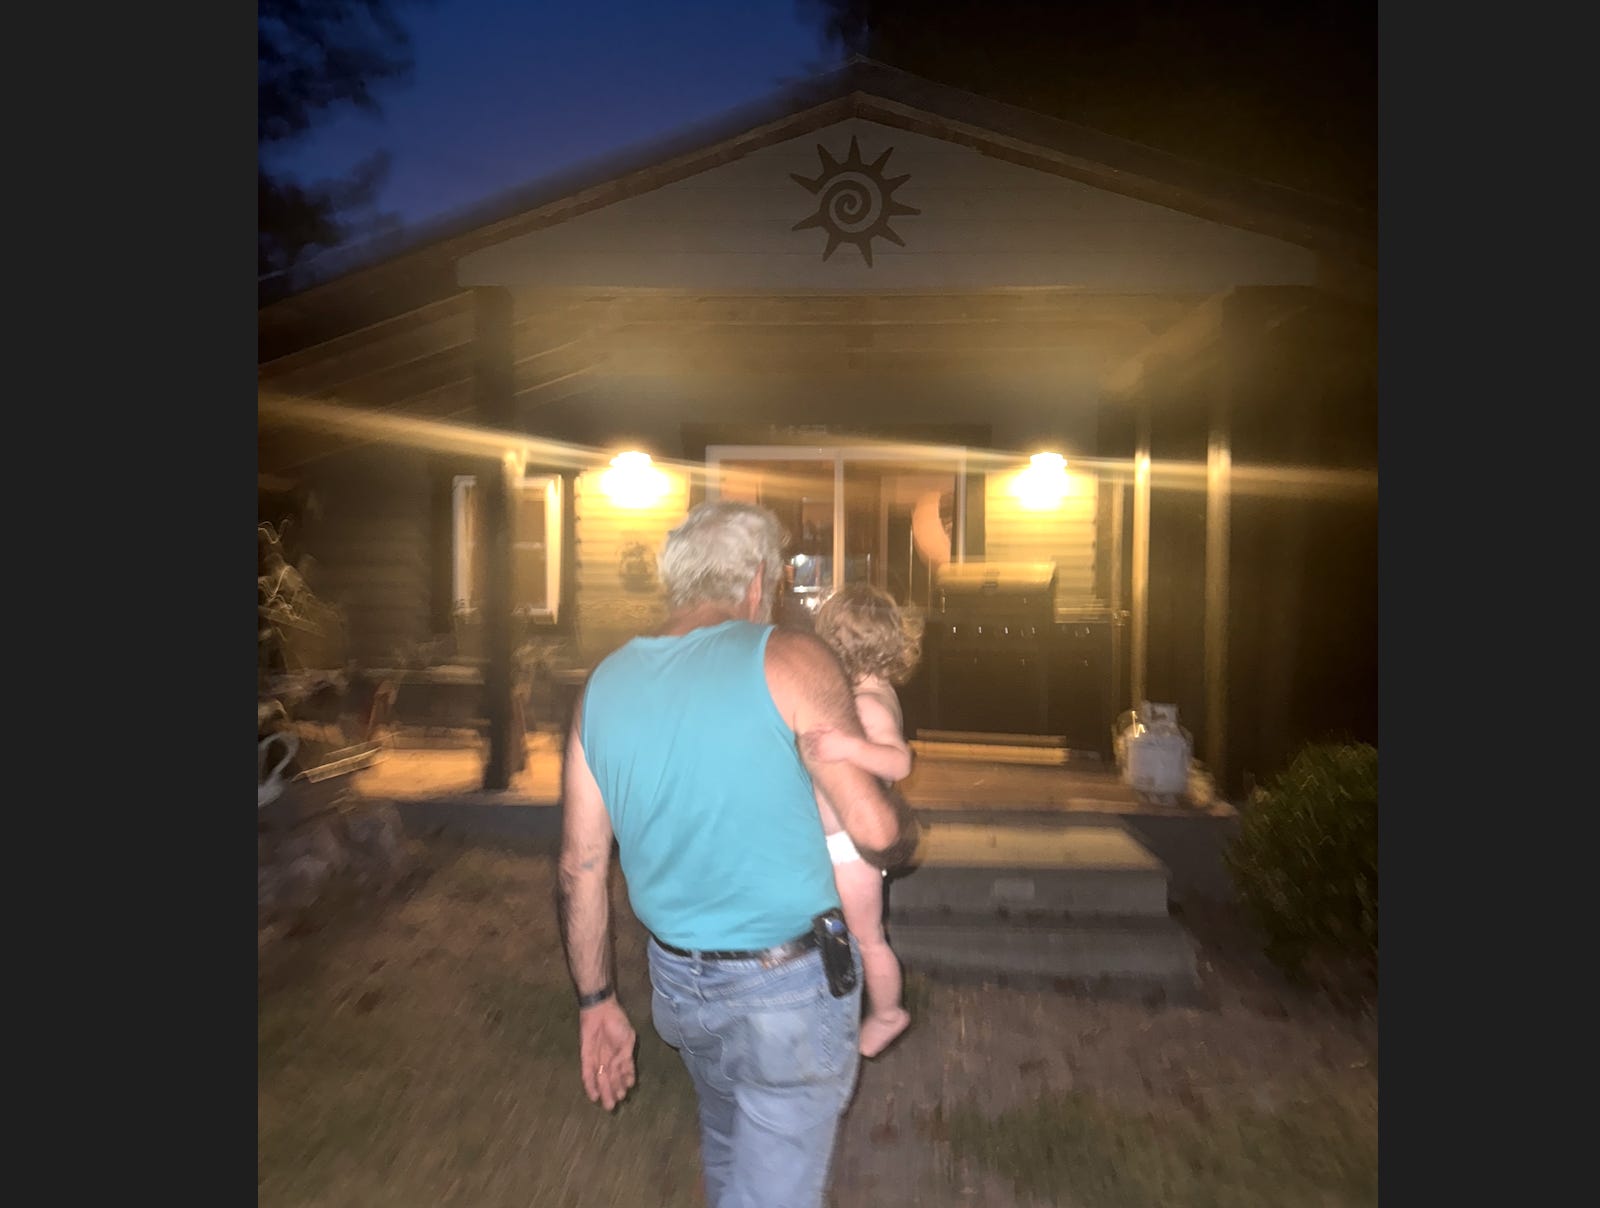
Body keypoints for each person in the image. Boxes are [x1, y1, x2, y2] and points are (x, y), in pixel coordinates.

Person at [557, 500, 920, 1208]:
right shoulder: (792, 658)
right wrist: (907, 826)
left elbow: (581, 867)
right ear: (757, 580)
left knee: (727, 1144)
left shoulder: (602, 686)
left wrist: (595, 1001)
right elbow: (879, 834)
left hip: (678, 986)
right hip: (789, 992)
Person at [800, 583, 920, 1058]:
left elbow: (899, 762)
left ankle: (889, 1014)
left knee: (868, 936)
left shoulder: (870, 703)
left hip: (852, 849)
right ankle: (835, 1000)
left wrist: (848, 746)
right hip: (836, 844)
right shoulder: (868, 691)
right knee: (836, 930)